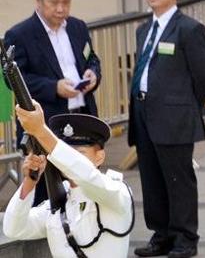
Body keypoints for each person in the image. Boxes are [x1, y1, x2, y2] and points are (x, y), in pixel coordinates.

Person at [128, 0, 205, 258]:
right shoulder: (143, 30)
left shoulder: (190, 29)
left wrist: (185, 108)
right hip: (143, 113)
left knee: (179, 180)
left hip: (174, 117)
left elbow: (203, 79)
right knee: (151, 179)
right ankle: (160, 235)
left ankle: (185, 238)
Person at [4, 0, 101, 206]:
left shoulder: (77, 27)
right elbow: (14, 79)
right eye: (54, 3)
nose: (60, 9)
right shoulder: (20, 34)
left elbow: (91, 59)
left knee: (85, 183)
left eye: (66, 2)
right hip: (47, 122)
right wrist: (53, 87)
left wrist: (93, 74)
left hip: (82, 118)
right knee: (49, 192)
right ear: (38, 1)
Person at [3, 105, 134, 257]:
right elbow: (13, 228)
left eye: (80, 153)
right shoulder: (60, 201)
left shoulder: (115, 191)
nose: (69, 159)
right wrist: (30, 182)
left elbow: (86, 174)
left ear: (99, 157)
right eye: (67, 150)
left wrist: (41, 132)